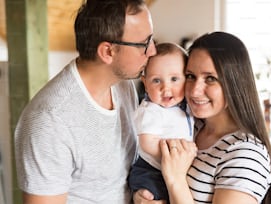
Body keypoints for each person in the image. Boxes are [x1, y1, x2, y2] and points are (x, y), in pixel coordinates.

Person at [14, 0, 164, 203]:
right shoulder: (49, 121)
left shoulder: (123, 85)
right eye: (144, 44)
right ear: (107, 52)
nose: (152, 51)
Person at [159, 32, 271, 204]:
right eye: (190, 76)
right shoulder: (187, 127)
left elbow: (175, 183)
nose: (194, 91)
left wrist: (176, 180)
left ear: (234, 82)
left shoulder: (246, 153)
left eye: (210, 78)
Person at [128, 43, 194, 201]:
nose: (166, 88)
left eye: (174, 79)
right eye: (156, 81)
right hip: (151, 170)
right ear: (145, 83)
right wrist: (177, 154)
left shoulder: (183, 107)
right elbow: (147, 143)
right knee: (154, 195)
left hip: (173, 168)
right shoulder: (151, 111)